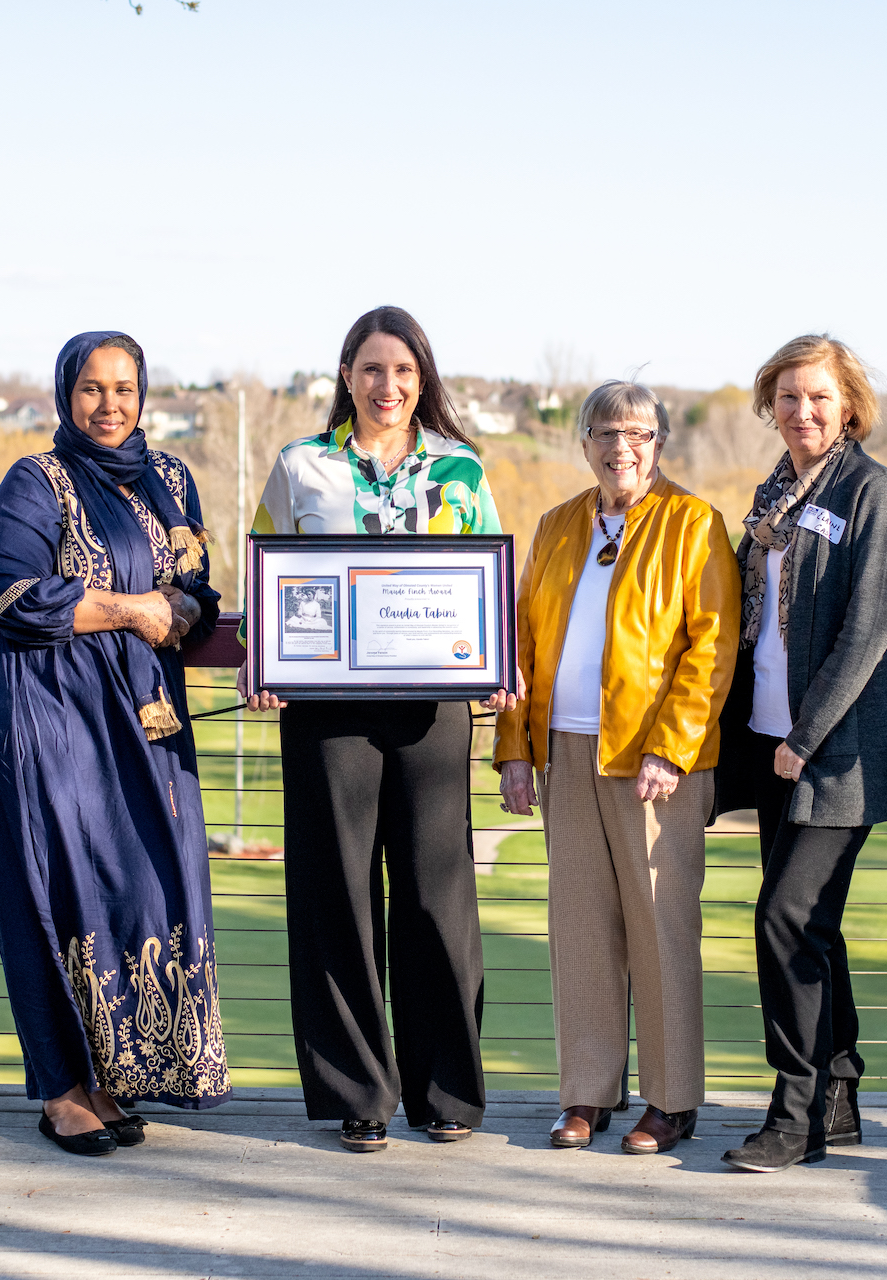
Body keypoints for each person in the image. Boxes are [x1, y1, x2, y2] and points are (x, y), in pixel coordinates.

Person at [244, 305, 513, 1152]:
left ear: (422, 377)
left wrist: (499, 660)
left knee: (439, 898)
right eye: (370, 369)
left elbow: (490, 584)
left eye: (402, 370)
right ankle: (360, 1092)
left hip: (434, 711)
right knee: (339, 897)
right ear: (347, 375)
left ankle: (446, 1094)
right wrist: (264, 658)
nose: (387, 385)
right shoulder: (301, 467)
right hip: (327, 714)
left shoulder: (461, 470)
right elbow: (263, 575)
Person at [0, 330, 229, 1157]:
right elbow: (11, 595)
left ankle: (116, 1074)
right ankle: (62, 1090)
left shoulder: (172, 479)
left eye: (124, 388)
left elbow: (194, 579)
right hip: (52, 718)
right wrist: (131, 608)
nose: (109, 405)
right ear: (64, 395)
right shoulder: (34, 482)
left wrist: (186, 609)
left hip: (144, 719)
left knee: (146, 881)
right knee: (59, 890)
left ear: (144, 394)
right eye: (91, 388)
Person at [494, 381, 741, 1154]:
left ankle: (672, 1101)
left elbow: (713, 646)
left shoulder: (694, 524)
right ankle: (587, 1095)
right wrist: (513, 748)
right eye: (606, 431)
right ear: (585, 441)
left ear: (658, 443)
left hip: (654, 761)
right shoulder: (558, 524)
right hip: (566, 751)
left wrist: (674, 743)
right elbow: (521, 646)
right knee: (578, 929)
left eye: (637, 433)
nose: (620, 447)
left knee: (662, 927)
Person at [713, 334, 887, 1174]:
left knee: (784, 919)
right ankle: (837, 1094)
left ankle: (792, 1117)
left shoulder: (873, 493)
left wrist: (804, 737)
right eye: (788, 396)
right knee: (812, 927)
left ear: (849, 404)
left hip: (831, 753)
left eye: (818, 396)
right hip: (766, 742)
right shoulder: (776, 492)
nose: (803, 410)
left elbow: (867, 634)